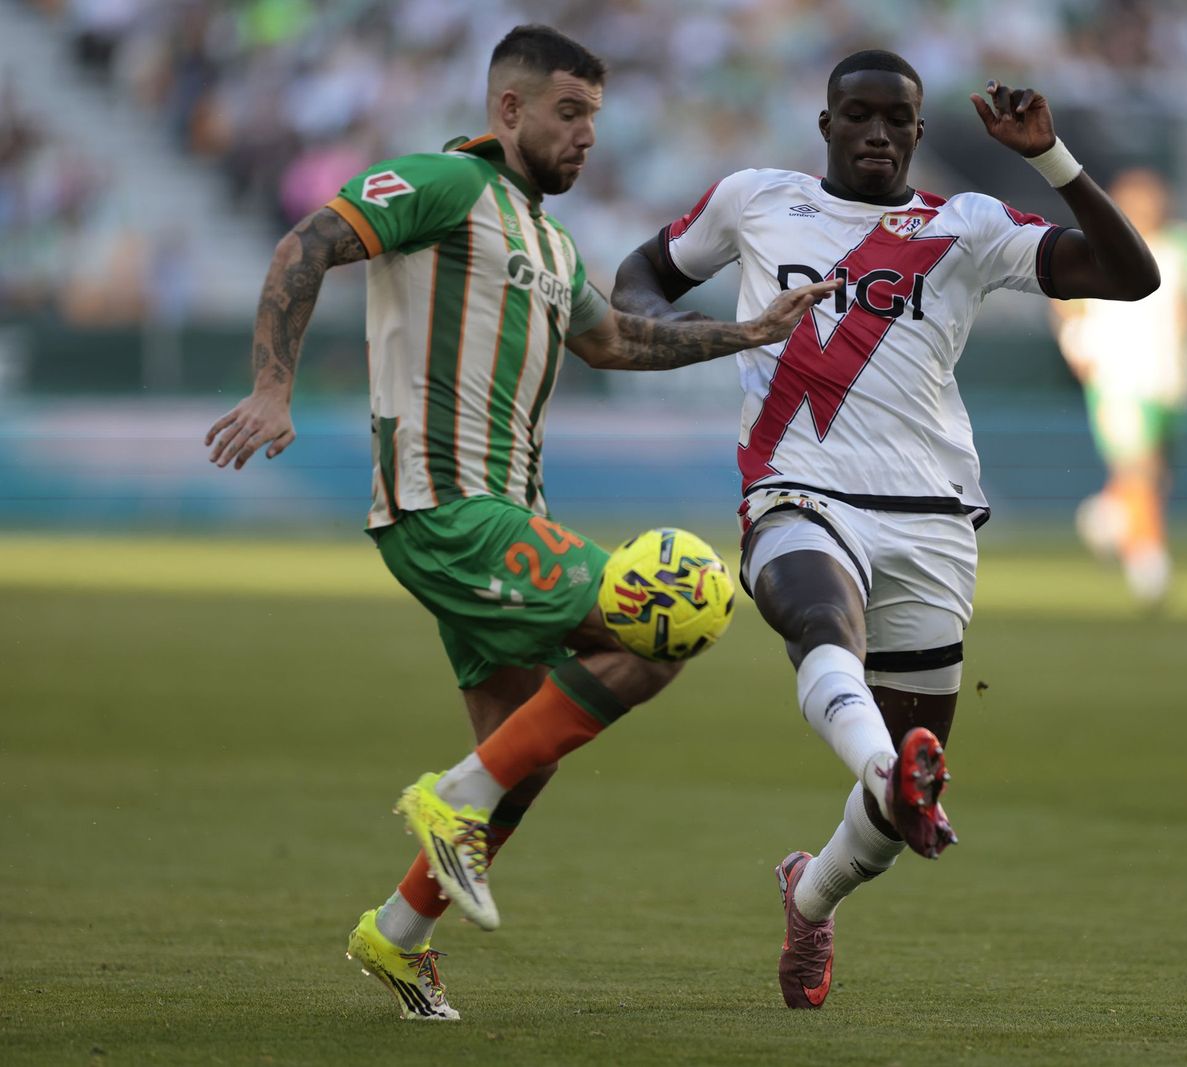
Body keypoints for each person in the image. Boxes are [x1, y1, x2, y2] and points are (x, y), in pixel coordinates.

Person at [204, 25, 835, 1021]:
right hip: (449, 505)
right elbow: (308, 242)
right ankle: (451, 791)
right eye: (568, 112)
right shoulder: (446, 186)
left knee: (522, 763)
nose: (587, 134)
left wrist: (749, 332)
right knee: (674, 610)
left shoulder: (545, 239)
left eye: (595, 115)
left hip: (501, 517)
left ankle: (398, 932)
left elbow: (616, 339)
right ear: (508, 111)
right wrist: (273, 385)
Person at [612, 50, 1157, 1009]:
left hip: (934, 519)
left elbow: (1129, 275)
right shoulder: (754, 199)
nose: (874, 132)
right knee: (821, 622)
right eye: (855, 115)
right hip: (797, 487)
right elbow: (641, 278)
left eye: (894, 119)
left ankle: (811, 892)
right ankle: (885, 767)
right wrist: (702, 335)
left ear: (915, 131)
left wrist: (1053, 157)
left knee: (891, 826)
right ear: (824, 124)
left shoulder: (967, 226)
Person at [1050, 168, 1187, 604]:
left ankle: (1107, 517)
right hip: (1118, 377)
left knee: (1155, 475)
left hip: (1171, 379)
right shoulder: (1098, 244)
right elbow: (1064, 303)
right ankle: (1148, 562)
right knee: (1139, 471)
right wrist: (1077, 348)